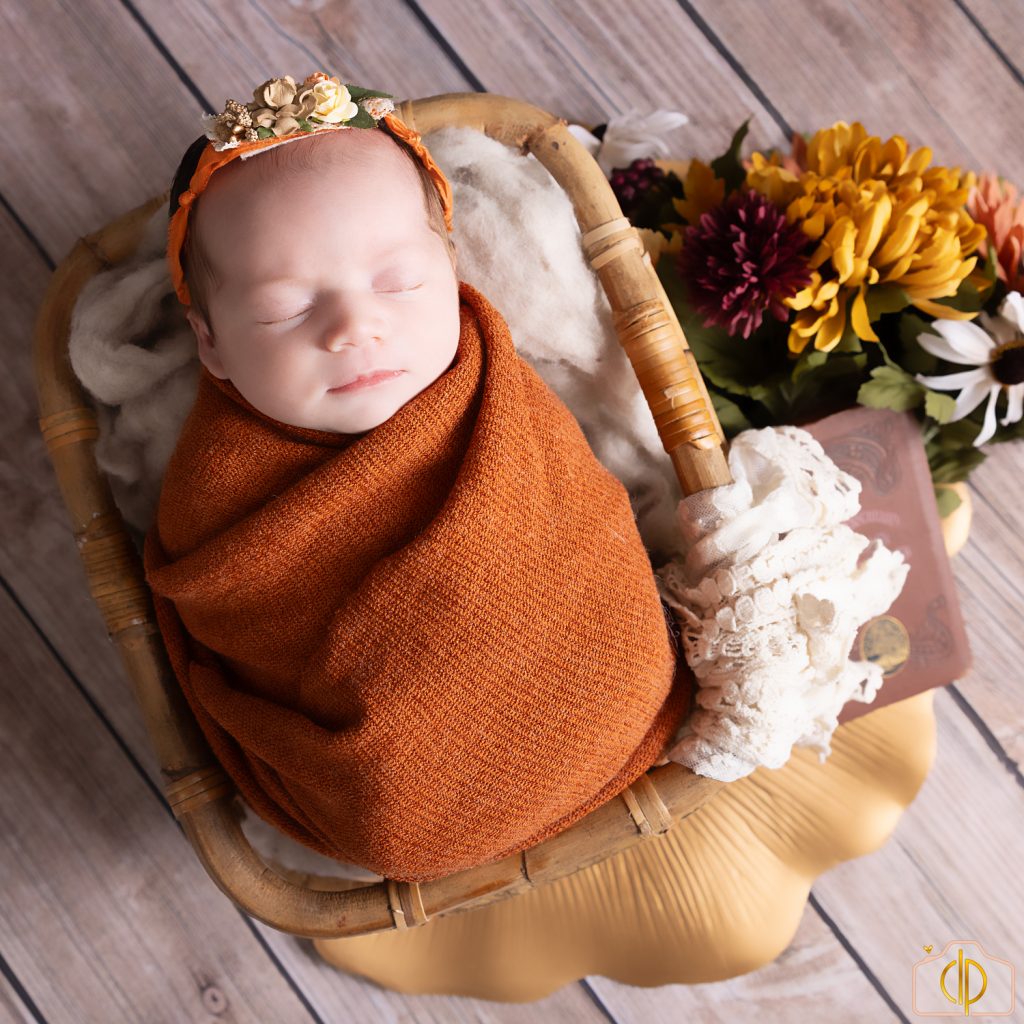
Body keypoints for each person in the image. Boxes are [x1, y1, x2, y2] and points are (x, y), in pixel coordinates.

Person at [143, 72, 691, 883]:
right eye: (285, 310)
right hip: (394, 805)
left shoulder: (487, 378)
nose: (353, 327)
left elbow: (575, 513)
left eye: (398, 283)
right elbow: (235, 619)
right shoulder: (215, 495)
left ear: (453, 268)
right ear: (212, 343)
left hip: (618, 684)